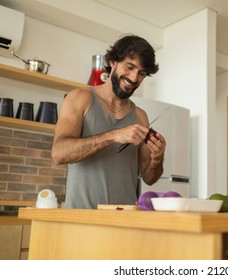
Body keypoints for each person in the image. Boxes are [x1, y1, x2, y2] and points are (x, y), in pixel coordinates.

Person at [51, 34, 166, 209]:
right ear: (113, 62)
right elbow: (59, 153)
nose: (134, 78)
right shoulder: (80, 98)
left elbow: (150, 178)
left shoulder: (141, 116)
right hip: (81, 219)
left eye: (141, 73)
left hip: (124, 221)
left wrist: (157, 158)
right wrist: (114, 136)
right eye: (130, 67)